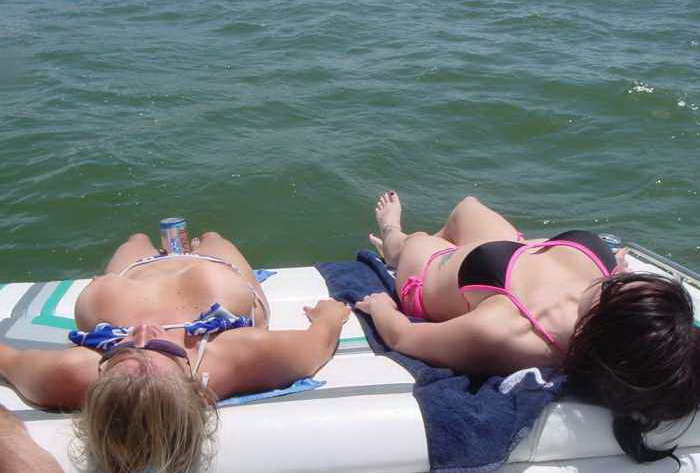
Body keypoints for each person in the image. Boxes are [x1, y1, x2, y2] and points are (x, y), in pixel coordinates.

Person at [357, 192, 699, 464]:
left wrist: (380, 307)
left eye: (618, 288)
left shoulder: (512, 332)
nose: (620, 278)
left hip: (433, 273)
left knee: (413, 243)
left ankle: (392, 240)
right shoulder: (606, 286)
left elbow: (402, 336)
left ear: (604, 330)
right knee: (467, 207)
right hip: (514, 255)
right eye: (629, 282)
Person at [0, 231, 350, 473]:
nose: (142, 330)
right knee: (213, 236)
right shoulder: (238, 355)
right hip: (212, 265)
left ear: (99, 378)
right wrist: (330, 316)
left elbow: (7, 359)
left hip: (135, 272)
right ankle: (196, 244)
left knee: (136, 239)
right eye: (159, 347)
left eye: (120, 351)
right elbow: (316, 346)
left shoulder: (70, 373)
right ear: (194, 385)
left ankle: (158, 246)